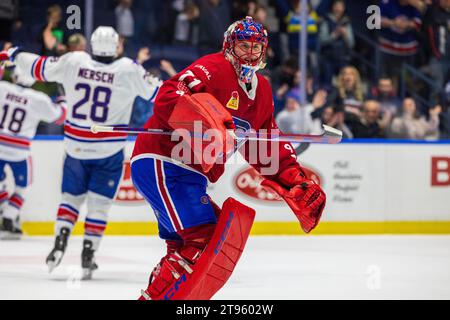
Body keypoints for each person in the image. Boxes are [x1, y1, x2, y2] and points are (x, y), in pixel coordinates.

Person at [131, 16, 326, 300]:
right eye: (243, 45)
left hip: (188, 174)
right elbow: (169, 95)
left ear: (264, 51)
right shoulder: (213, 68)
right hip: (165, 161)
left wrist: (296, 180)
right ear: (229, 46)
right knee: (205, 240)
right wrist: (204, 122)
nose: (249, 53)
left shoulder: (263, 92)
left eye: (256, 47)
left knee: (184, 247)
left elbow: (265, 145)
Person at [0, 26, 160, 279]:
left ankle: (61, 237)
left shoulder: (74, 60)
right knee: (99, 204)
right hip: (109, 151)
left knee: (70, 199)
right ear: (116, 46)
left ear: (92, 46)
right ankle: (88, 252)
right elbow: (160, 93)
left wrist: (15, 53)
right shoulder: (129, 69)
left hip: (75, 147)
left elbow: (38, 66)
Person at [0, 66, 66, 239]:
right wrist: (63, 98)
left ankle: (4, 204)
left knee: (1, 185)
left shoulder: (3, 88)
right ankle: (9, 215)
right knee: (23, 187)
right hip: (20, 150)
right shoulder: (39, 99)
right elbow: (60, 117)